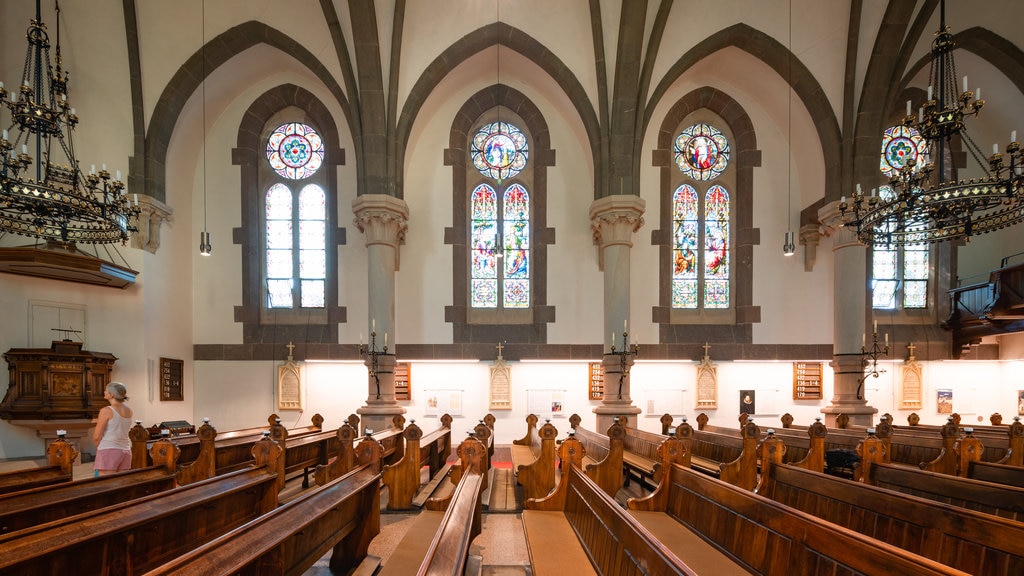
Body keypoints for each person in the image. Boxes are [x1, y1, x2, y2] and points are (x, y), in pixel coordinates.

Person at [93, 382, 133, 475]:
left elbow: (96, 436)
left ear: (111, 395)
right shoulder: (128, 410)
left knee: (106, 486)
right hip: (126, 450)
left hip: (109, 449)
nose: (104, 392)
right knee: (120, 484)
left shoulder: (106, 411)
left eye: (106, 391)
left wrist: (101, 450)